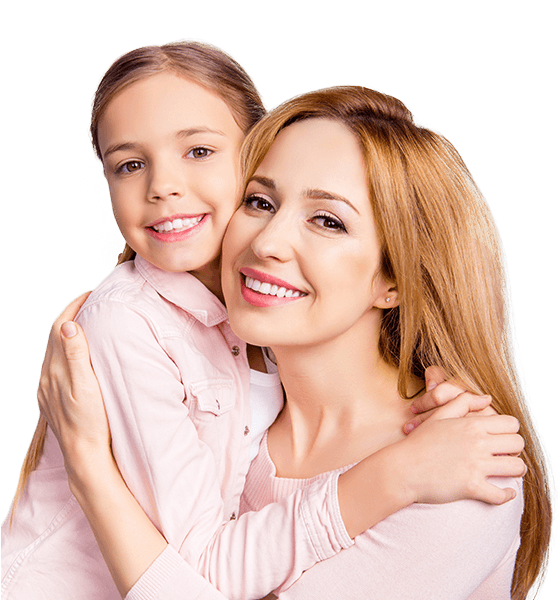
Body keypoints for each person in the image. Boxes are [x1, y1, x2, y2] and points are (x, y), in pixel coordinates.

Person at [1, 41, 524, 600]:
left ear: (395, 280)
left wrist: (92, 471)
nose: (269, 242)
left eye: (327, 221)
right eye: (261, 202)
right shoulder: (219, 384)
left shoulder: (458, 469)